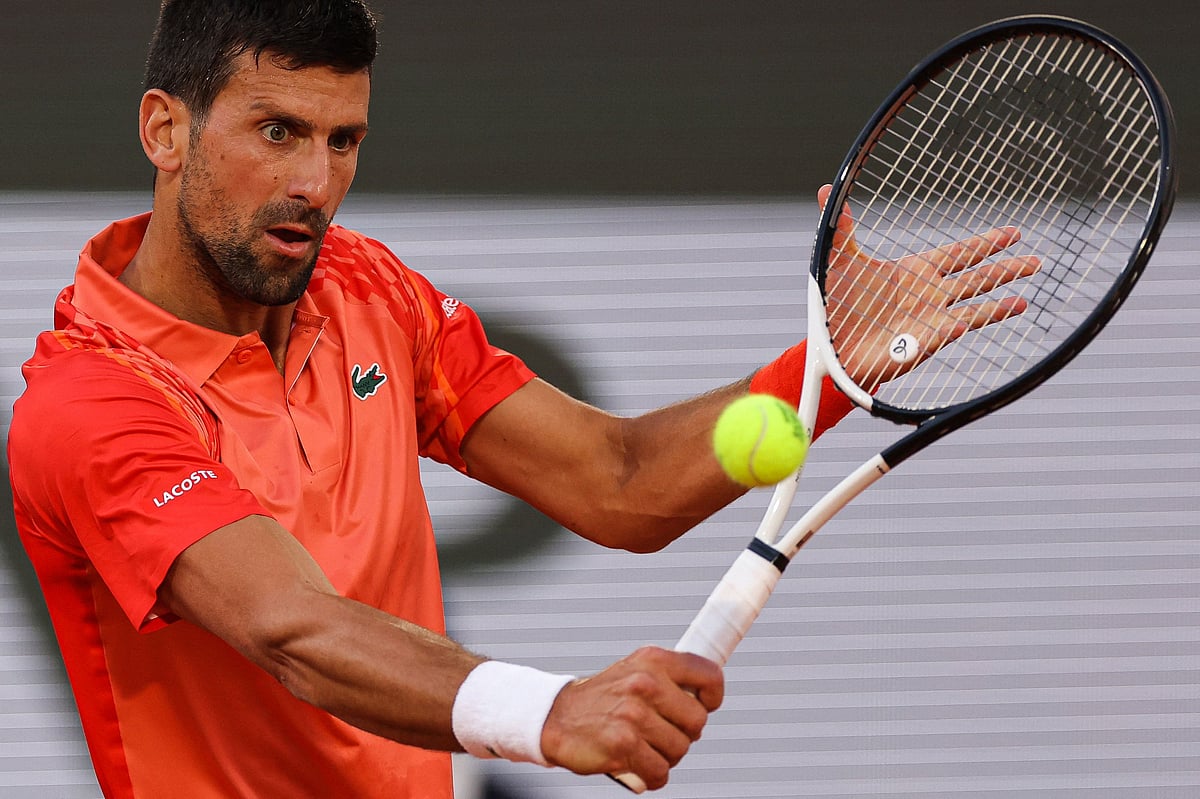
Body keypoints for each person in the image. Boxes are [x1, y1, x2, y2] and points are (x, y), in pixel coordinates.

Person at [5, 2, 1037, 797]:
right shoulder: (89, 402)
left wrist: (828, 366)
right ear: (164, 129)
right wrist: (553, 710)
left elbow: (618, 481)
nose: (314, 183)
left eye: (343, 140)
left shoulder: (370, 293)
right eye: (277, 132)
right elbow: (294, 629)